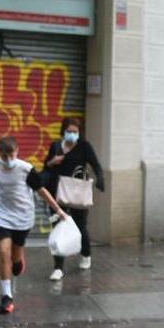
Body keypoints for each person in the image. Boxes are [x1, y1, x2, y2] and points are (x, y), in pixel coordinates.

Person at [0, 136, 67, 314]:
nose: (8, 160)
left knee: (15, 261)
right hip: (1, 215)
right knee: (4, 251)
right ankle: (6, 297)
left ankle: (19, 260)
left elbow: (42, 191)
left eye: (11, 155)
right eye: (4, 156)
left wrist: (58, 210)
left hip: (23, 215)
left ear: (17, 152)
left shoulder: (26, 169)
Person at [44, 117, 104, 281]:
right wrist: (52, 161)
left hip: (77, 194)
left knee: (80, 227)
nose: (72, 134)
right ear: (63, 131)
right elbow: (45, 167)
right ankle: (58, 267)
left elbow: (95, 164)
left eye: (75, 132)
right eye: (69, 131)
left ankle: (85, 254)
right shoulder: (56, 146)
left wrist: (100, 179)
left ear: (79, 133)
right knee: (58, 229)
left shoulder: (84, 146)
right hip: (57, 194)